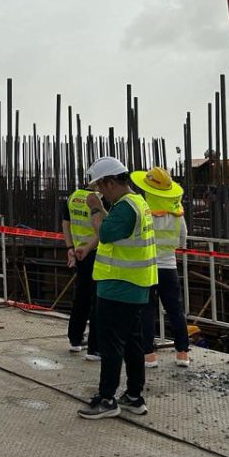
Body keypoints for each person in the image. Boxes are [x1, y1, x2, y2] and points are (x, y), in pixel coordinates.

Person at [77, 156, 157, 420]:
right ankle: (134, 396)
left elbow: (107, 232)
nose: (99, 192)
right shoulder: (138, 203)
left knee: (111, 345)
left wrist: (96, 209)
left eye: (101, 186)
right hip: (135, 286)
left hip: (119, 286)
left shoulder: (124, 207)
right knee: (133, 343)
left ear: (111, 182)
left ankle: (107, 398)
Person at [134, 166, 190, 368]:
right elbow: (183, 240)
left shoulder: (143, 210)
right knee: (175, 310)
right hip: (169, 267)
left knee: (147, 311)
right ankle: (182, 353)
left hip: (147, 267)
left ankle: (149, 355)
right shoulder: (177, 213)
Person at [63, 182, 101, 358]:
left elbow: (66, 223)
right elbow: (102, 230)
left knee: (80, 298)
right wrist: (88, 248)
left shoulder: (72, 197)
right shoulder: (98, 199)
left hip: (78, 253)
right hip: (95, 253)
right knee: (97, 300)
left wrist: (70, 247)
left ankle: (75, 340)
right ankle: (95, 348)